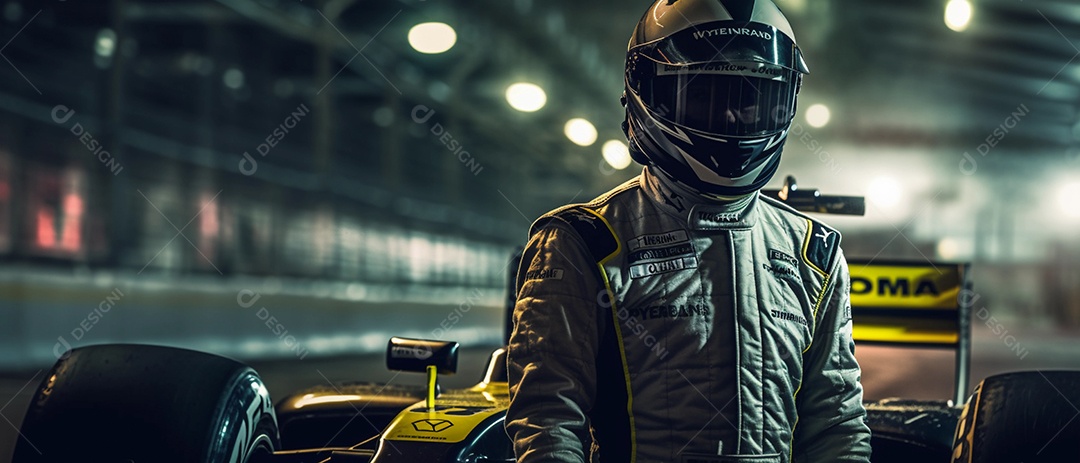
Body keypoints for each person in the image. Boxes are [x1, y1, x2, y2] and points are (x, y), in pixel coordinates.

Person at [504, 0, 872, 462]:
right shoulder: (585, 241)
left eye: (751, 97)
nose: (734, 117)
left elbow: (835, 422)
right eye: (705, 96)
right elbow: (548, 419)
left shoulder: (811, 251)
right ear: (646, 93)